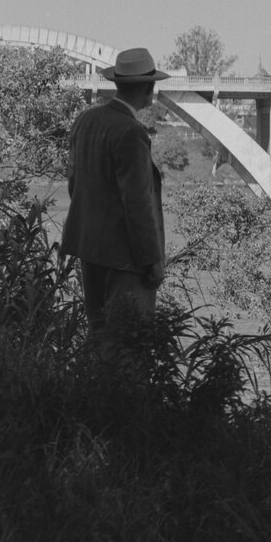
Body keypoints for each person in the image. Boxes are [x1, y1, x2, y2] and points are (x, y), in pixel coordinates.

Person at [62, 46, 170, 340]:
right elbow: (138, 204)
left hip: (89, 250)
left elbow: (74, 182)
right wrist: (152, 261)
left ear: (118, 83)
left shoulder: (86, 120)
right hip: (126, 260)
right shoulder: (131, 132)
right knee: (128, 346)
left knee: (99, 337)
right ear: (149, 87)